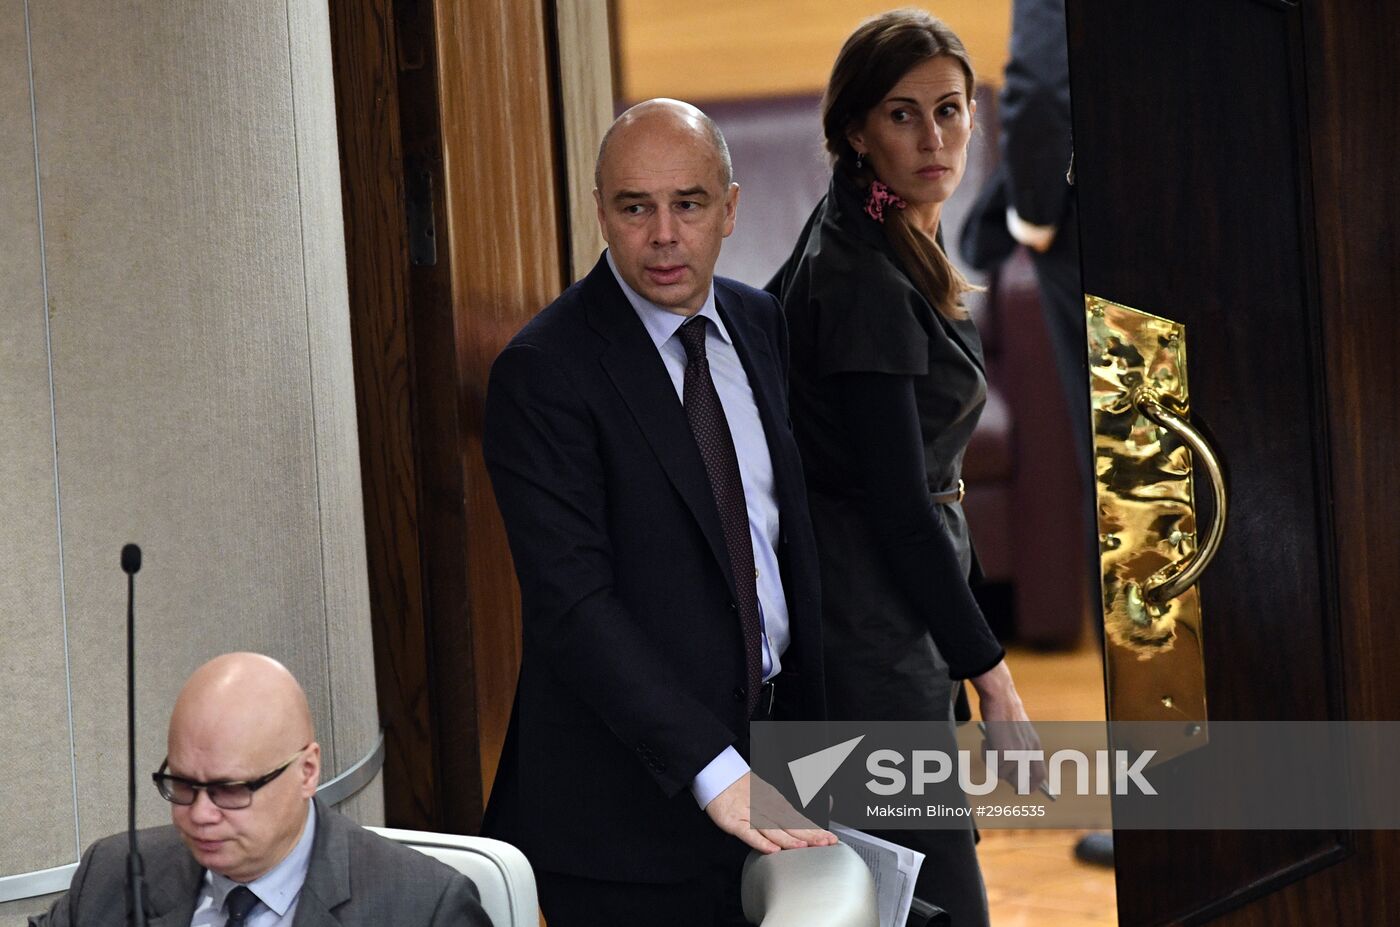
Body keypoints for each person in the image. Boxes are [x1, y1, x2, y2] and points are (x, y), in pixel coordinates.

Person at [480, 98, 834, 926]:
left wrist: (815, 754)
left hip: (778, 764)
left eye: (690, 203)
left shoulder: (757, 319)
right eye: (636, 207)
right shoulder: (543, 372)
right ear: (601, 212)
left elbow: (783, 548)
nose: (665, 234)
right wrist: (715, 769)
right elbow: (573, 608)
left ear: (731, 208)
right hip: (623, 821)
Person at [766, 11, 1045, 925]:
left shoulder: (868, 228)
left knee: (891, 898)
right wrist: (993, 674)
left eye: (952, 111)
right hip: (870, 628)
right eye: (903, 114)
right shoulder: (865, 282)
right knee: (936, 900)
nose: (935, 138)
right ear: (855, 130)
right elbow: (901, 508)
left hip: (875, 610)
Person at [30, 653, 491, 927]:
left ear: (307, 771)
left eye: (230, 790)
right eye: (184, 785)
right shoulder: (111, 875)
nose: (201, 814)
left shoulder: (423, 907)